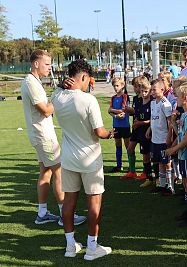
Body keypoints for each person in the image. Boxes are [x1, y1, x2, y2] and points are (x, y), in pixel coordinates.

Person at [52, 59, 114, 260]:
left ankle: (70, 246)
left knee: (69, 201)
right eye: (88, 80)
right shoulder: (88, 100)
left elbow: (57, 91)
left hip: (69, 158)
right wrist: (110, 134)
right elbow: (99, 132)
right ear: (84, 77)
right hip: (90, 158)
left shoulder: (57, 96)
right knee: (94, 202)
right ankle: (92, 247)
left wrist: (62, 85)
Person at [21, 49, 85, 226]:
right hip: (43, 136)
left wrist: (57, 90)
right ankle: (65, 215)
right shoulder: (31, 83)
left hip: (39, 134)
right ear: (36, 64)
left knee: (46, 171)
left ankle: (42, 213)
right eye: (47, 64)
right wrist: (59, 93)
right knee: (59, 171)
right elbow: (46, 110)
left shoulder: (33, 81)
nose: (50, 67)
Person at [166, 83, 187, 226]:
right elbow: (181, 134)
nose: (176, 98)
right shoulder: (185, 115)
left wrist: (173, 150)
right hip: (183, 155)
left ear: (185, 98)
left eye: (178, 96)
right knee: (186, 184)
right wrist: (173, 123)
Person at [124, 78, 154, 187]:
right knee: (136, 151)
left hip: (147, 130)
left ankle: (150, 175)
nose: (142, 92)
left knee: (150, 155)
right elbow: (136, 112)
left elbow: (153, 118)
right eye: (141, 90)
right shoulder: (137, 99)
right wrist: (127, 111)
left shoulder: (152, 101)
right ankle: (138, 173)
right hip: (138, 129)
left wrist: (141, 123)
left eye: (145, 91)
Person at [146, 79, 174, 194]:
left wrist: (169, 136)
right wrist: (149, 129)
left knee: (167, 163)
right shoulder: (153, 102)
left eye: (154, 89)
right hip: (155, 139)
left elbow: (170, 122)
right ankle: (162, 185)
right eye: (151, 89)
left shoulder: (165, 103)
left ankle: (170, 186)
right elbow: (153, 118)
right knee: (159, 163)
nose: (152, 92)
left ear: (162, 90)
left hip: (163, 139)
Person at [121, 76, 147, 179]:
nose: (134, 89)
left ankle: (146, 172)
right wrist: (128, 110)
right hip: (136, 127)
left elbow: (144, 113)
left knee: (145, 151)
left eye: (135, 86)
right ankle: (132, 171)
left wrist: (133, 112)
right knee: (130, 148)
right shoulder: (135, 98)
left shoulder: (146, 98)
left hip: (143, 127)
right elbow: (136, 111)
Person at [108, 78, 131, 173]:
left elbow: (123, 110)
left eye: (117, 85)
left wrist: (112, 111)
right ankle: (118, 165)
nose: (115, 87)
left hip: (125, 126)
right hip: (116, 125)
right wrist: (115, 115)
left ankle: (131, 166)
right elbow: (110, 111)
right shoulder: (113, 98)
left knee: (128, 146)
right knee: (118, 145)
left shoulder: (125, 97)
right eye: (114, 86)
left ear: (122, 86)